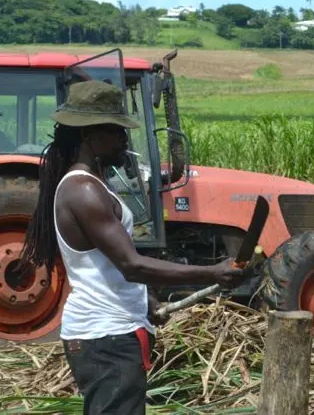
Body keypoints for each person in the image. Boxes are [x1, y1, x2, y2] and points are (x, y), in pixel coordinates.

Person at [19, 80, 249, 415]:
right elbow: (131, 265)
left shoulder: (91, 185)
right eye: (116, 131)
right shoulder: (84, 191)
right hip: (106, 337)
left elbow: (110, 267)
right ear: (88, 136)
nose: (124, 140)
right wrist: (212, 272)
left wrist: (145, 299)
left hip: (112, 332)